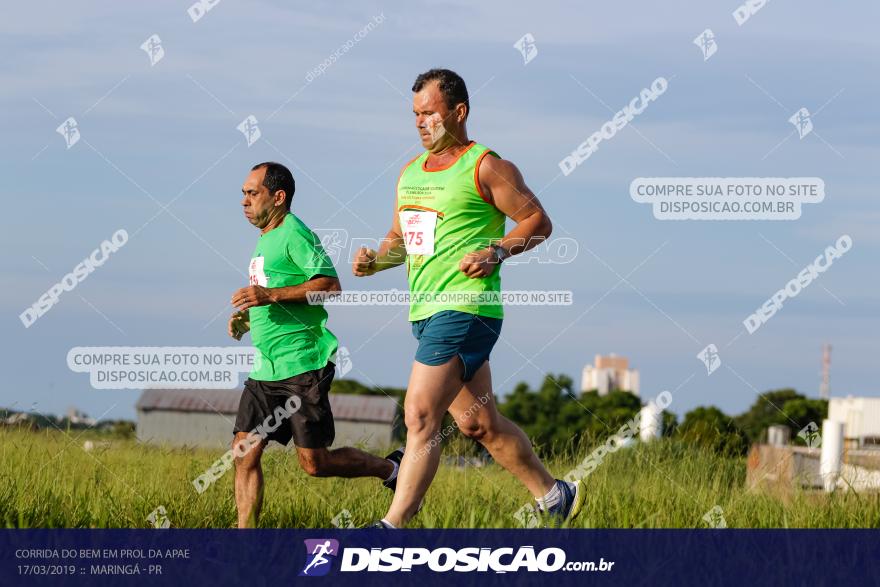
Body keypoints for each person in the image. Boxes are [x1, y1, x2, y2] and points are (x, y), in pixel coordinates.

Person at [352, 69, 584, 528]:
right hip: (425, 311)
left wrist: (498, 251)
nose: (421, 123)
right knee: (478, 425)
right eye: (415, 115)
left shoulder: (486, 166)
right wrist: (375, 262)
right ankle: (556, 495)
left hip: (466, 308)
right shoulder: (409, 173)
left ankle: (393, 526)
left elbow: (537, 221)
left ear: (458, 112)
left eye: (430, 114)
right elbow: (400, 240)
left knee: (420, 412)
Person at [230, 161, 402, 528]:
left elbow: (328, 286)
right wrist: (246, 319)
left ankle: (390, 468)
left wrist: (270, 294)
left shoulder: (295, 233)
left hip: (302, 365)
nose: (244, 201)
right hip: (266, 367)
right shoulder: (265, 239)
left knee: (314, 463)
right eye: (243, 193)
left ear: (278, 197)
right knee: (244, 452)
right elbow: (270, 299)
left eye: (252, 192)